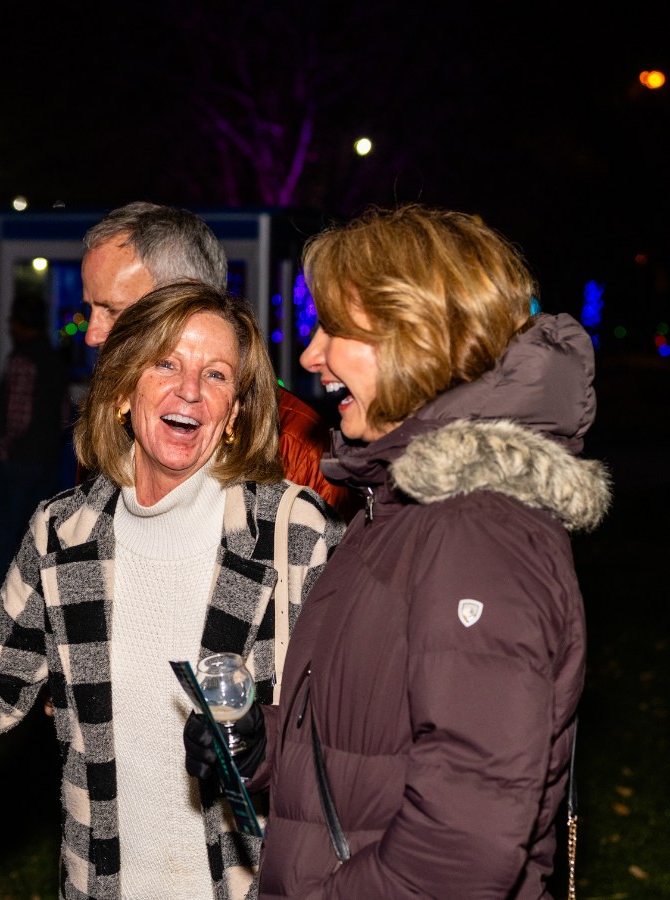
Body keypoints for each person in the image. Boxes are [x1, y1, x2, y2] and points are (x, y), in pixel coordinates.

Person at [0, 283, 344, 900]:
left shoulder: (291, 533)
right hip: (100, 883)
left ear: (235, 411)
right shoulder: (66, 533)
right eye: (166, 363)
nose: (189, 390)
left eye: (215, 374)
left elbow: (352, 726)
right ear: (124, 389)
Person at [242, 206, 609, 898]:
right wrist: (270, 746)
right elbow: (385, 740)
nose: (312, 356)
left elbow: (461, 851)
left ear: (415, 339)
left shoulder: (475, 530)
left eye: (335, 330)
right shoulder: (401, 505)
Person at [80, 202, 355, 517]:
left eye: (113, 310)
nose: (92, 334)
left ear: (188, 296)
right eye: (90, 308)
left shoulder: (300, 450)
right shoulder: (109, 418)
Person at [0, 291, 69, 584]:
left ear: (18, 324)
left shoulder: (23, 359)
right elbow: (64, 413)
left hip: (20, 461)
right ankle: (32, 599)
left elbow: (17, 416)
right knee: (37, 535)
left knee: (6, 533)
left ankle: (7, 601)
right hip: (47, 459)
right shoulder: (53, 358)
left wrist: (4, 448)